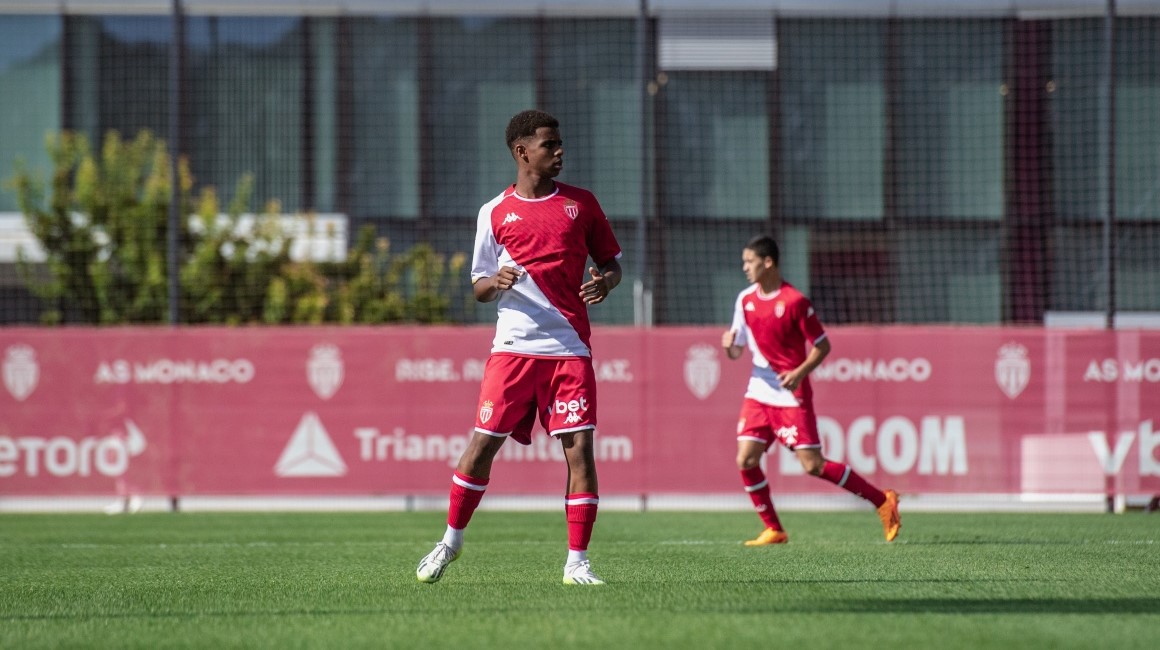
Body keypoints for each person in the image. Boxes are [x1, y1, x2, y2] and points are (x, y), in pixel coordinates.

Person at [416, 109, 622, 586]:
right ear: (522, 152)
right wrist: (497, 280)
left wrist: (606, 282)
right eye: (550, 145)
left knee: (580, 452)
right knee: (482, 446)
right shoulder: (493, 212)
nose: (559, 151)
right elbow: (479, 287)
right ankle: (450, 542)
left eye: (559, 142)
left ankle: (577, 563)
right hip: (512, 350)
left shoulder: (582, 204)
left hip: (569, 348)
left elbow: (612, 263)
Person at [721, 234, 900, 545]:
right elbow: (737, 350)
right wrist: (729, 346)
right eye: (744, 262)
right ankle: (774, 529)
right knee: (746, 460)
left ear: (768, 262)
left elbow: (822, 345)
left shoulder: (795, 301)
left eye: (749, 262)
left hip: (790, 395)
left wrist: (799, 372)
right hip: (758, 392)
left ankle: (882, 500)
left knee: (812, 465)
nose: (745, 268)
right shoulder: (745, 300)